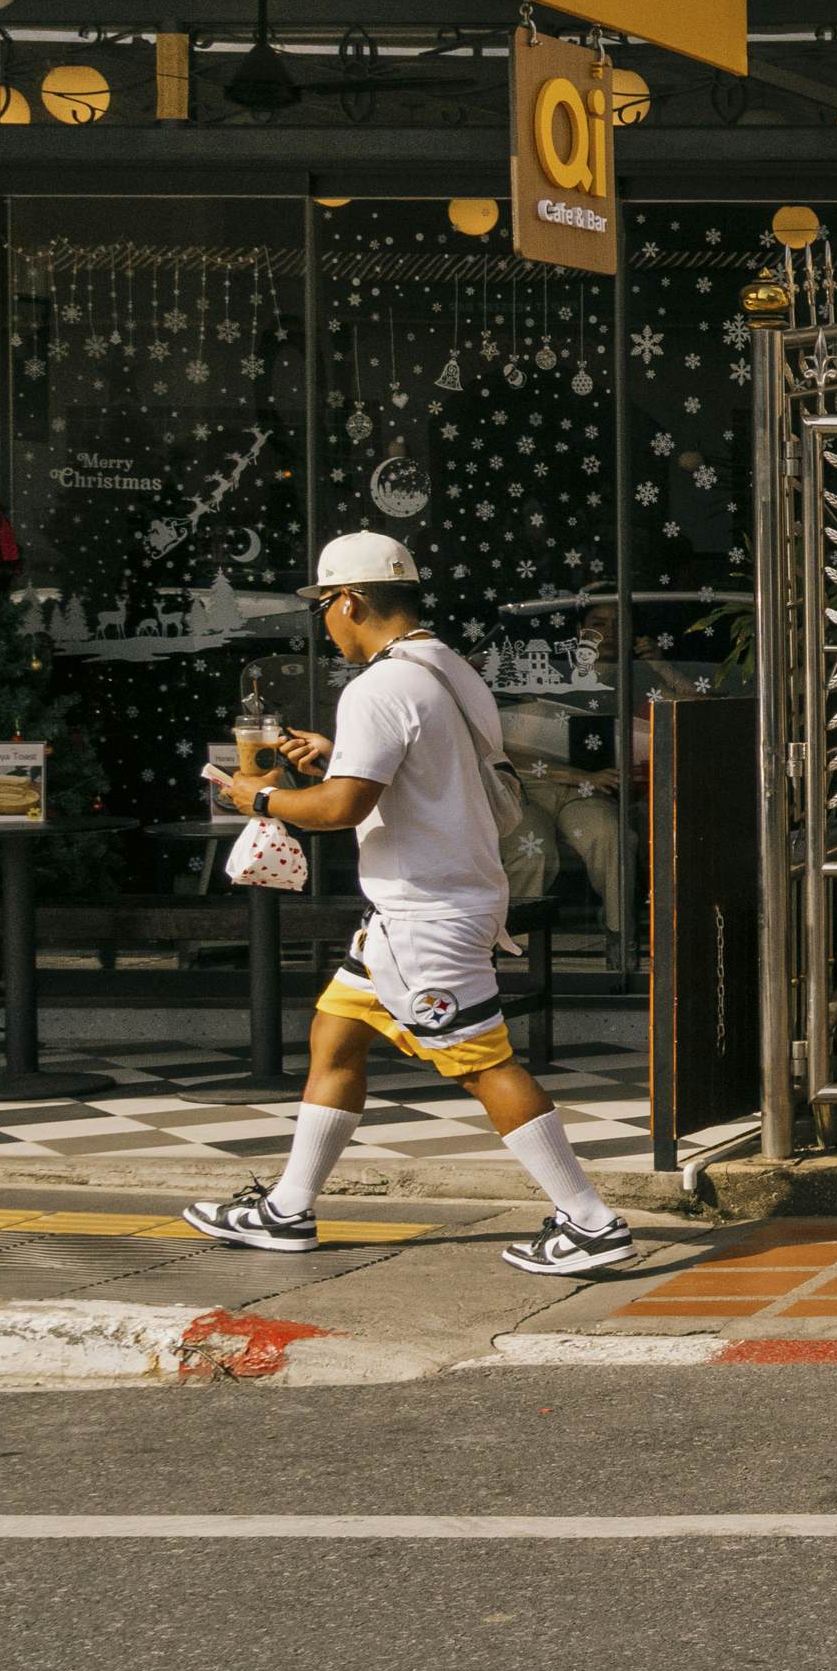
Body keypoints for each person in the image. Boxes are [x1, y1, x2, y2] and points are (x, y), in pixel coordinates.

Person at [181, 532, 641, 1279]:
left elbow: (340, 807)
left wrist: (256, 795)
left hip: (426, 910)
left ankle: (590, 1220)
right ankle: (288, 1208)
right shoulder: (445, 667)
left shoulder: (378, 686)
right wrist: (337, 753)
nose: (324, 619)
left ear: (352, 600)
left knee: (482, 1063)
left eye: (324, 604)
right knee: (337, 1035)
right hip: (424, 903)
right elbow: (425, 775)